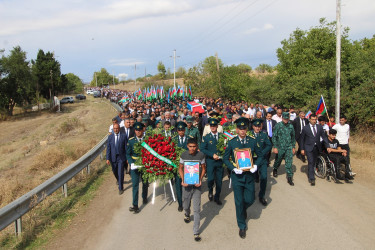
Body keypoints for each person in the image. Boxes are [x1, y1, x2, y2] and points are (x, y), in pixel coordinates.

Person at [223, 117, 261, 239]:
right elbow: (225, 158)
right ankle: (242, 226)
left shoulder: (252, 141)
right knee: (239, 202)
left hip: (249, 175)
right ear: (237, 129)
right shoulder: (232, 142)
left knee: (250, 199)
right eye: (240, 128)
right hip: (237, 176)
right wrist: (233, 168)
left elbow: (261, 155)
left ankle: (243, 209)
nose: (243, 130)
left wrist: (256, 165)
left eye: (244, 128)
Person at [179, 138, 206, 242]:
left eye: (194, 146)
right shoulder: (183, 155)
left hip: (196, 185)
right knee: (185, 203)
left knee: (197, 209)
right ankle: (186, 213)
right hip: (186, 185)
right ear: (187, 146)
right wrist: (183, 180)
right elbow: (180, 168)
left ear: (197, 146)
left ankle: (196, 231)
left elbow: (203, 168)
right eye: (190, 146)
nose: (192, 148)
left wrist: (200, 179)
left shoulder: (201, 155)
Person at [126, 122, 149, 213]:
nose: (138, 132)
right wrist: (131, 163)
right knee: (135, 185)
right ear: (134, 131)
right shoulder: (131, 141)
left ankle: (144, 197)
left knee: (145, 182)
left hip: (144, 164)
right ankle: (135, 205)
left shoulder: (146, 140)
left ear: (143, 130)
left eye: (139, 130)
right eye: (136, 130)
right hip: (135, 165)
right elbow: (128, 154)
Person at [200, 118, 224, 205]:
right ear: (209, 127)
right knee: (210, 179)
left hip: (220, 161)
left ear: (217, 126)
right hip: (210, 161)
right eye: (211, 126)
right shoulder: (206, 137)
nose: (213, 127)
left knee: (219, 181)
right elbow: (202, 148)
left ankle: (217, 196)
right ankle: (210, 191)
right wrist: (212, 154)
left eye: (214, 125)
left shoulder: (222, 136)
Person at [251, 119, 272, 206]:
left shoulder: (263, 134)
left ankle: (261, 196)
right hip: (252, 160)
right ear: (253, 127)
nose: (257, 128)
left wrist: (262, 153)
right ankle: (251, 194)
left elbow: (269, 145)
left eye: (259, 126)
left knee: (264, 177)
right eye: (256, 126)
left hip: (262, 160)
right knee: (251, 178)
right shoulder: (249, 135)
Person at [300, 114, 325, 186]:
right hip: (308, 147)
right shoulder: (305, 128)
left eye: (315, 119)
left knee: (314, 162)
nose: (314, 121)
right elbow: (302, 139)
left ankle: (312, 170)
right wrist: (302, 149)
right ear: (309, 120)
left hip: (317, 147)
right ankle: (312, 178)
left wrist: (328, 146)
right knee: (310, 161)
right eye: (313, 119)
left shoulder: (319, 127)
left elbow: (324, 137)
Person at [272, 112, 296, 186]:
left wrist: (293, 147)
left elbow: (293, 137)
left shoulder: (291, 126)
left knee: (289, 163)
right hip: (280, 147)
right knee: (278, 160)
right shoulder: (278, 125)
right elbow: (274, 137)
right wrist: (275, 147)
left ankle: (289, 178)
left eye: (287, 119)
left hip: (288, 147)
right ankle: (275, 169)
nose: (286, 120)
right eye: (284, 119)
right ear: (282, 118)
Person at [106, 123, 127, 195]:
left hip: (121, 157)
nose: (116, 130)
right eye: (114, 129)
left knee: (120, 172)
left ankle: (121, 188)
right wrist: (107, 158)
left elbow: (126, 148)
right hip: (113, 157)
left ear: (119, 129)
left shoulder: (123, 136)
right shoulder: (110, 137)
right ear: (113, 129)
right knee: (114, 171)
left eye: (117, 128)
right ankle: (118, 179)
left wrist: (127, 158)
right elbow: (108, 148)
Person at [173, 121, 190, 212]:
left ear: (185, 130)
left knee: (187, 186)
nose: (181, 132)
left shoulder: (189, 139)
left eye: (182, 130)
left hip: (187, 166)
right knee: (178, 186)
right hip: (177, 166)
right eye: (179, 130)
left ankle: (187, 203)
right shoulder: (174, 139)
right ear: (177, 131)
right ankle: (180, 203)